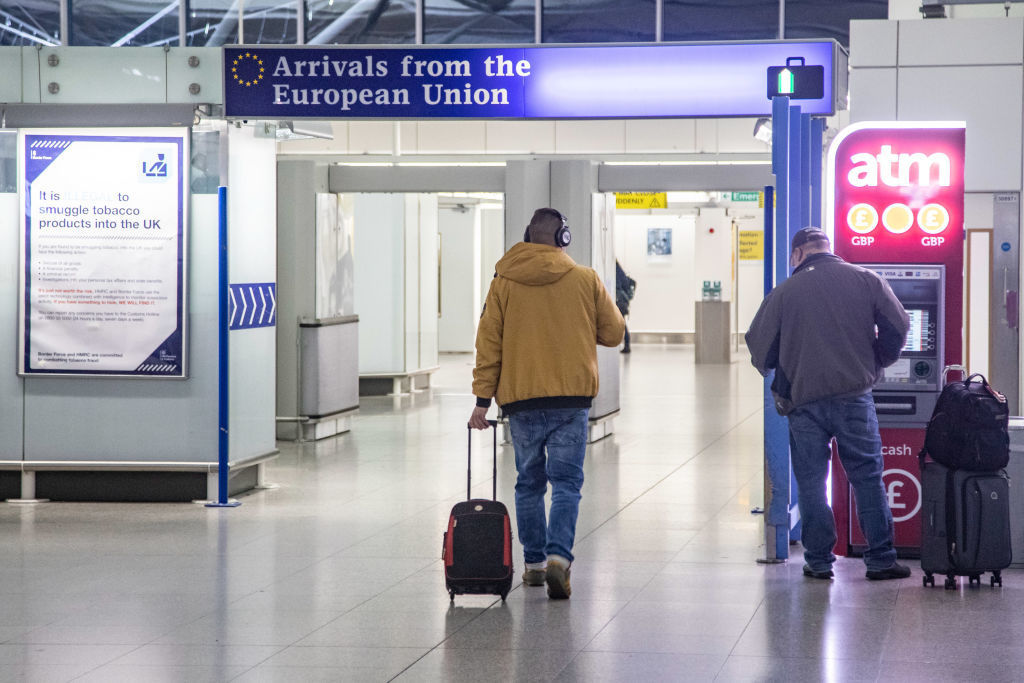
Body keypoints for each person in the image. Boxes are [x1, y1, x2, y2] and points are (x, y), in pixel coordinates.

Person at [469, 207, 624, 599]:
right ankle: (560, 558)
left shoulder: (503, 282)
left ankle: (534, 565)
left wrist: (481, 401)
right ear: (563, 239)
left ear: (527, 236)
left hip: (521, 401)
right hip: (571, 400)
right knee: (567, 483)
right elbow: (614, 331)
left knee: (528, 483)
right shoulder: (586, 279)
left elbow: (488, 343)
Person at [744, 227, 912, 581]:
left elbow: (758, 345)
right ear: (826, 249)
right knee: (866, 477)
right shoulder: (866, 279)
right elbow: (899, 324)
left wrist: (785, 367)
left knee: (810, 481)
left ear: (798, 254)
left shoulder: (785, 291)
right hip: (854, 397)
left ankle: (819, 562)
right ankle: (880, 559)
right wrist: (878, 359)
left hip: (804, 402)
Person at [615, 260, 636, 353]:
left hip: (620, 302)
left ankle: (627, 345)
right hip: (624, 302)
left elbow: (618, 287)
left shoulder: (617, 272)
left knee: (622, 324)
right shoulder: (621, 272)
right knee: (622, 324)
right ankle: (626, 345)